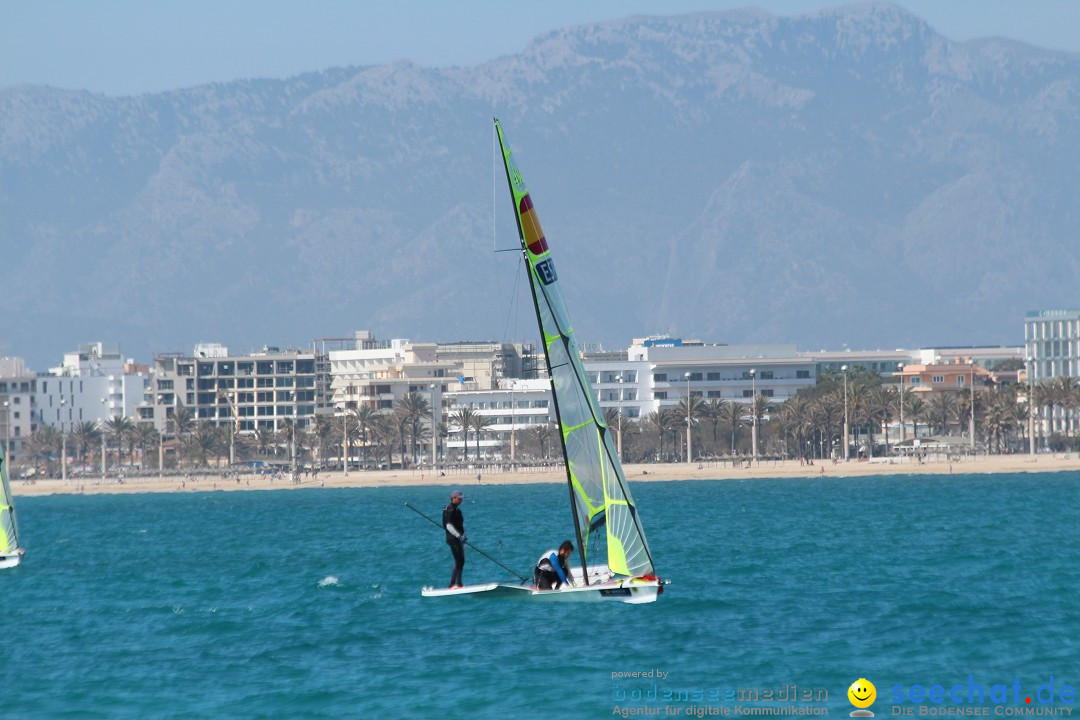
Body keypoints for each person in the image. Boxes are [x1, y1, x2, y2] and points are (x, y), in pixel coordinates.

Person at [443, 490, 466, 588]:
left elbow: (458, 525)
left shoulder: (456, 510)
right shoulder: (450, 509)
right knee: (459, 560)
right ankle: (453, 584)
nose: (461, 500)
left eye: (461, 498)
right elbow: (448, 526)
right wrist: (459, 536)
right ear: (454, 498)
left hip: (457, 538)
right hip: (453, 538)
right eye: (459, 498)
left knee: (461, 560)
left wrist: (463, 536)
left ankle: (459, 583)